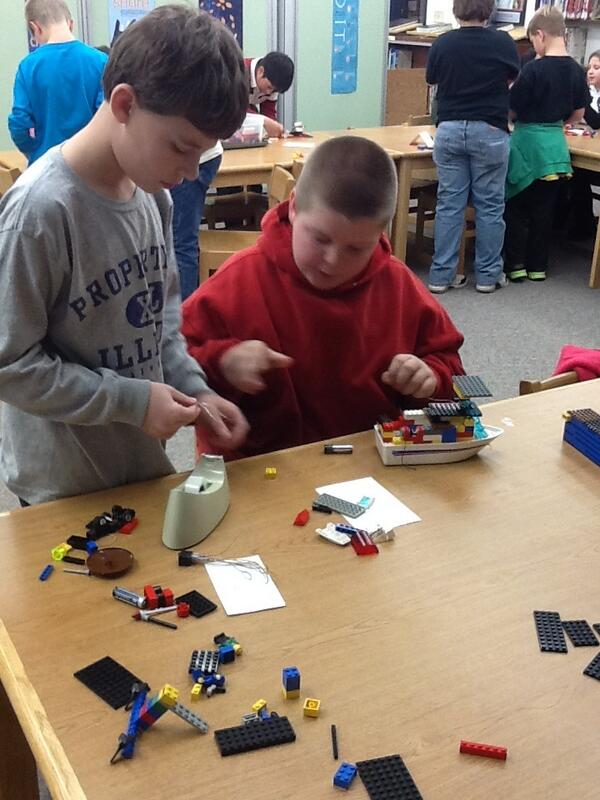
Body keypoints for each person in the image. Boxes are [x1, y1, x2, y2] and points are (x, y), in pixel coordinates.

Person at [0, 6, 250, 505]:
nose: (188, 170)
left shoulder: (153, 197)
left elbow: (162, 323)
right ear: (124, 104)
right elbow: (9, 364)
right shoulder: (39, 212)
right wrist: (130, 401)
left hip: (139, 469)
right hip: (62, 487)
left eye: (200, 153)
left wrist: (195, 388)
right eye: (180, 147)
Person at [181, 136, 465, 460]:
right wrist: (222, 362)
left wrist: (429, 377)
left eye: (356, 249)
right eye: (320, 239)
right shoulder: (238, 282)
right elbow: (168, 366)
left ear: (380, 235)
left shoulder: (398, 285)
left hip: (370, 469)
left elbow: (451, 370)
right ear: (293, 206)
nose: (333, 260)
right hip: (262, 472)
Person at [425, 0, 520, 294]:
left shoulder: (442, 43)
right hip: (489, 128)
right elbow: (512, 77)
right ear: (489, 10)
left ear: (456, 10)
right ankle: (488, 276)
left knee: (449, 204)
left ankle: (442, 276)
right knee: (490, 205)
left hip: (450, 129)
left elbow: (432, 79)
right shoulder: (503, 42)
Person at [504, 6, 588, 282]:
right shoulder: (578, 70)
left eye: (532, 41)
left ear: (540, 35)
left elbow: (512, 108)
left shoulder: (532, 70)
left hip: (527, 146)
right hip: (556, 149)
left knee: (517, 207)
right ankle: (538, 267)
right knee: (545, 210)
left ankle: (515, 265)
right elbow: (578, 115)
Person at [8, 0, 108, 165]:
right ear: (71, 24)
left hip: (46, 167)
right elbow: (106, 117)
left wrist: (36, 153)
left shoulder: (28, 67)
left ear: (35, 28)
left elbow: (19, 125)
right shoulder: (101, 62)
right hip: (91, 166)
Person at [170, 143, 222, 300]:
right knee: (180, 240)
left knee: (181, 242)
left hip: (196, 156)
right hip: (197, 154)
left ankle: (185, 316)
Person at [245, 52, 294, 138]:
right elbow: (236, 111)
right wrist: (264, 121)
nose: (268, 93)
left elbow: (268, 112)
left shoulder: (272, 87)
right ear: (260, 71)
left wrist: (275, 128)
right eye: (269, 87)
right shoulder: (238, 73)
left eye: (274, 91)